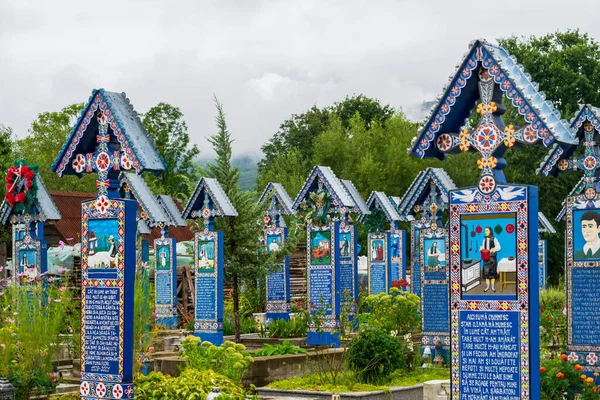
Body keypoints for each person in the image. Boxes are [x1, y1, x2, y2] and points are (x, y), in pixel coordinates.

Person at [480, 227, 501, 292]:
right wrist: (481, 249)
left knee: (492, 273)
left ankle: (492, 287)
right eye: (485, 231)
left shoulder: (494, 239)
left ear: (490, 231)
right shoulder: (484, 239)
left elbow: (499, 247)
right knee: (486, 273)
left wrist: (493, 249)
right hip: (485, 258)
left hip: (492, 258)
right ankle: (487, 287)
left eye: (487, 230)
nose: (485, 232)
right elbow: (483, 247)